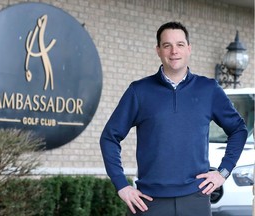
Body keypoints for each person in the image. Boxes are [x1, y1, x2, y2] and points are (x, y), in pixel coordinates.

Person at [99, 21, 248, 216]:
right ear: (158, 50)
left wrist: (223, 172)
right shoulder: (139, 91)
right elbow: (109, 137)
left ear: (189, 49)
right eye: (167, 45)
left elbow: (238, 129)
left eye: (179, 45)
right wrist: (121, 185)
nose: (174, 51)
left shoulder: (208, 89)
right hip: (148, 202)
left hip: (196, 200)